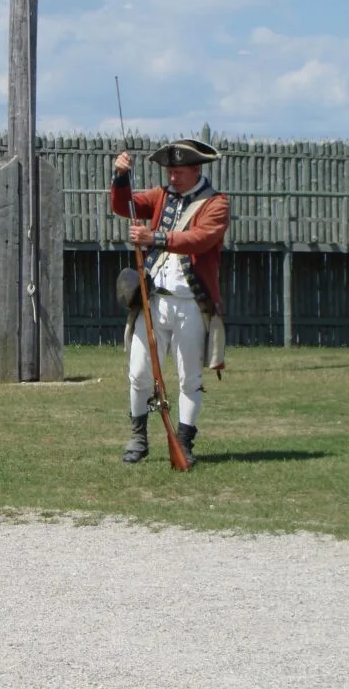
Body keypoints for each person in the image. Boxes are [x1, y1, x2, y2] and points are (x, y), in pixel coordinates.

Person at [110, 138, 230, 467]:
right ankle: (138, 436)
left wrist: (157, 237)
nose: (172, 177)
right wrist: (120, 177)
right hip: (153, 302)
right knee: (138, 373)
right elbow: (125, 207)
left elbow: (201, 239)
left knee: (189, 378)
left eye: (178, 171)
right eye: (169, 171)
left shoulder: (216, 203)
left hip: (191, 303)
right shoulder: (161, 196)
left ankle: (184, 440)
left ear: (195, 170)